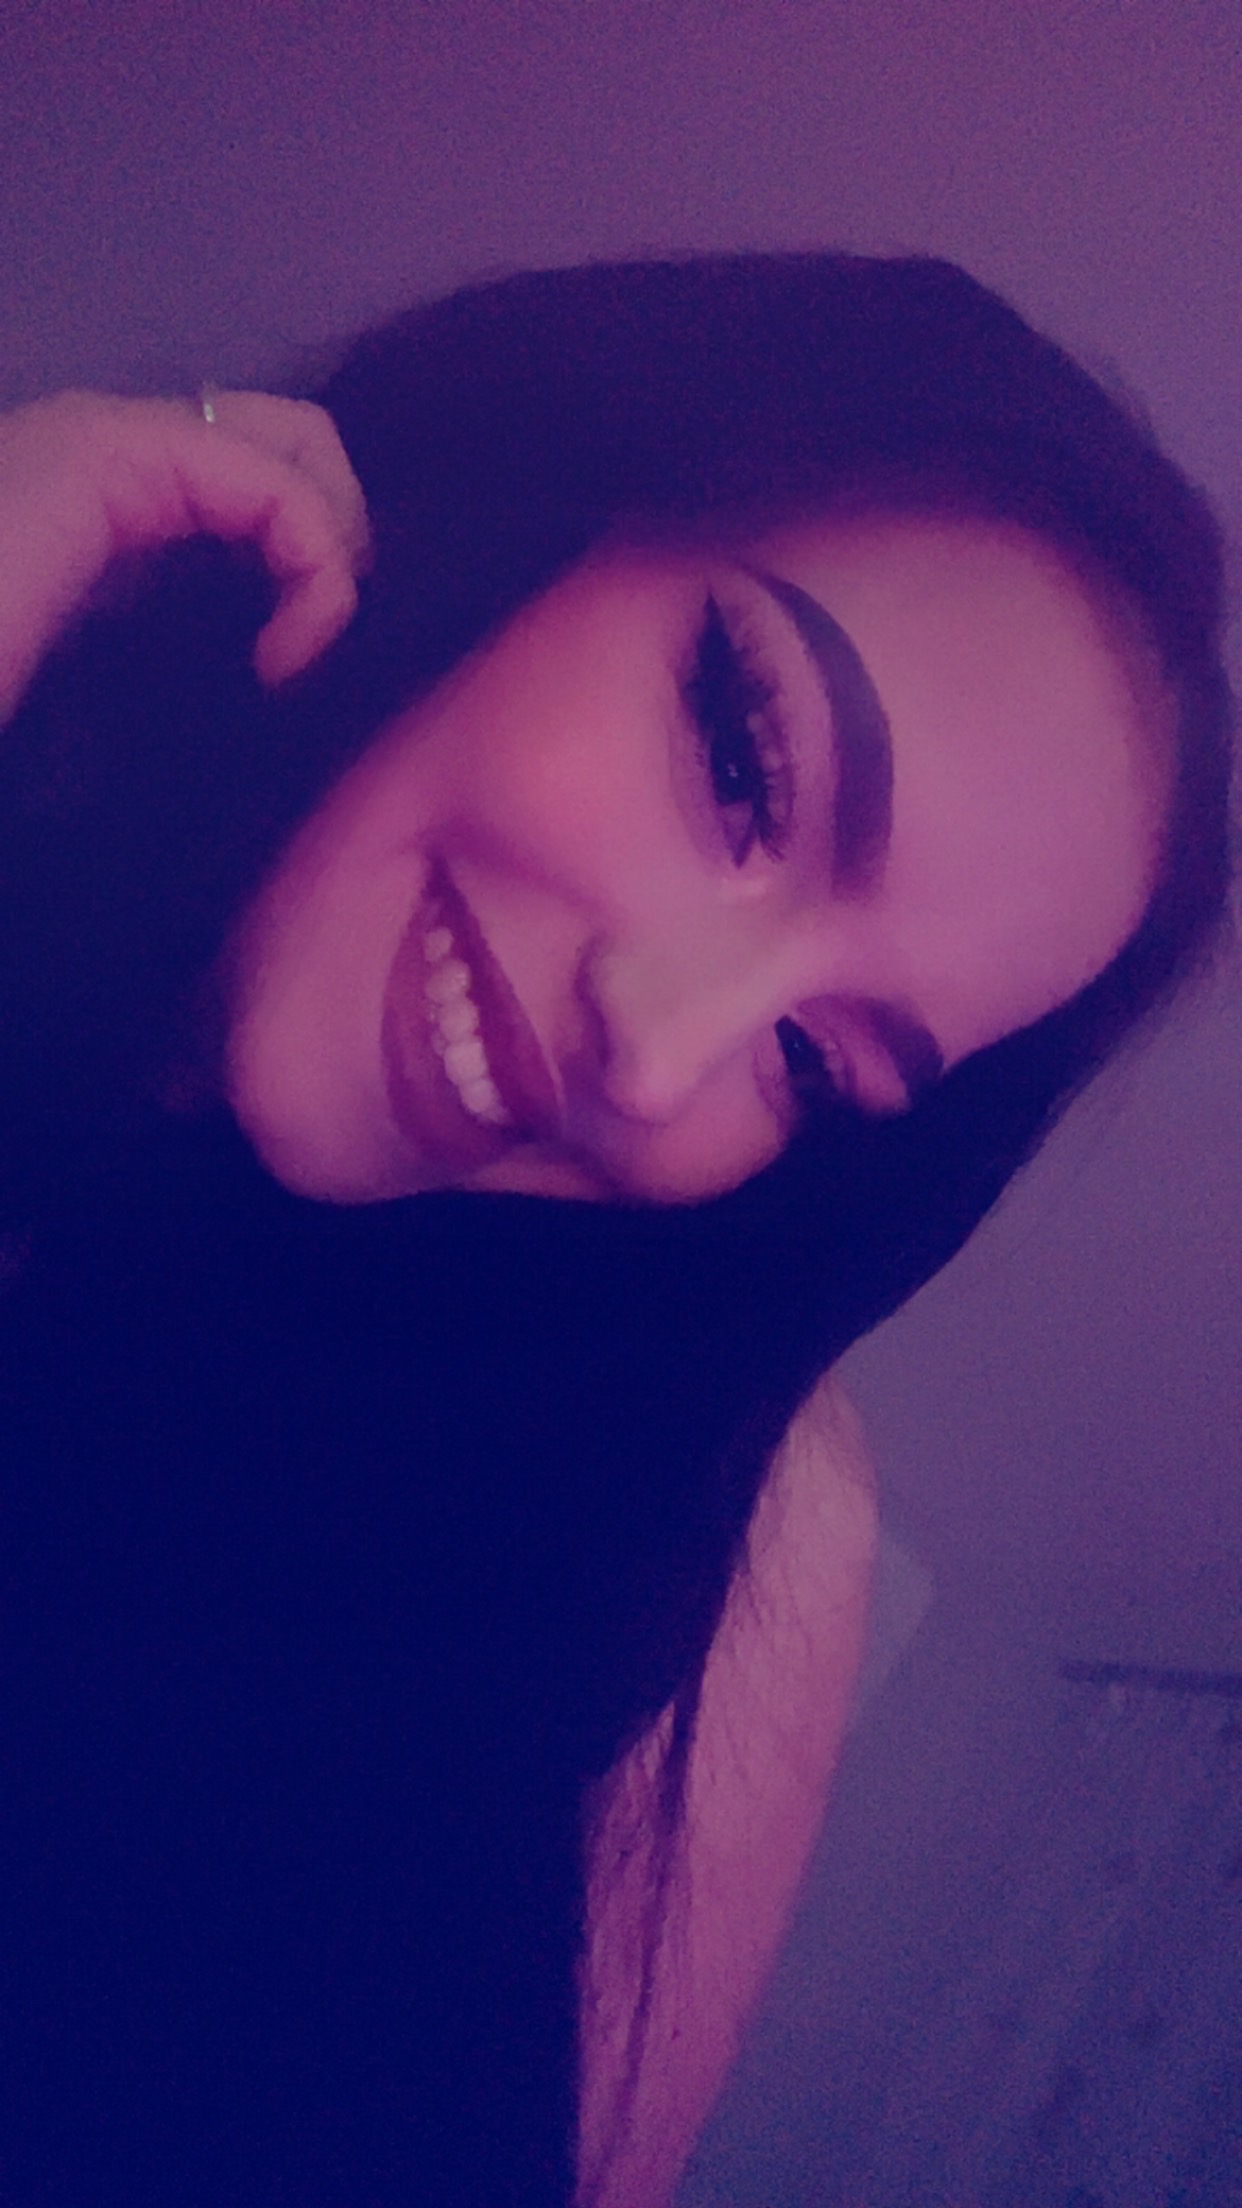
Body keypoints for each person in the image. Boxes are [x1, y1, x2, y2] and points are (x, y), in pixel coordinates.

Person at [0, 253, 1232, 2206]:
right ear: (542, 494)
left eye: (817, 1064)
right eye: (743, 765)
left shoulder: (693, 1555)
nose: (657, 1062)